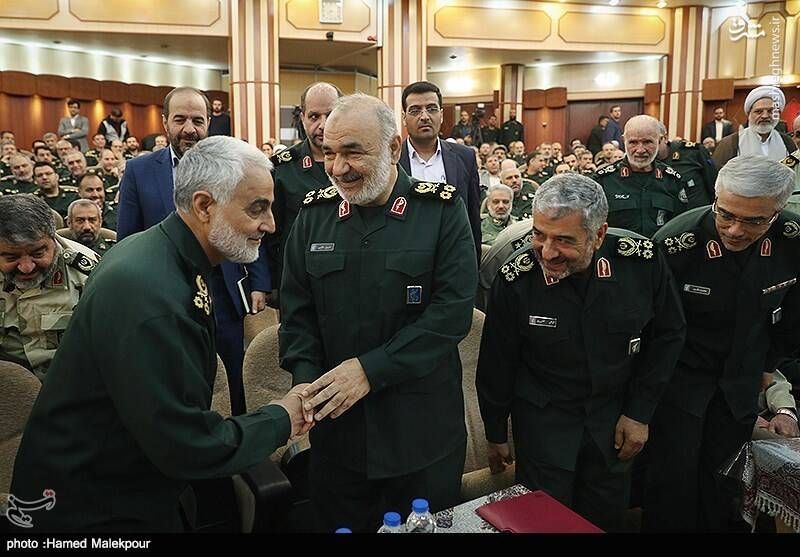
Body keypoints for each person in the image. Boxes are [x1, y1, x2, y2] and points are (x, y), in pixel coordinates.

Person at [9, 137, 313, 532]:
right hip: (93, 510)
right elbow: (187, 446)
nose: (271, 225)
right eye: (258, 208)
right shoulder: (150, 294)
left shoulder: (164, 256)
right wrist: (282, 418)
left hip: (130, 485)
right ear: (204, 206)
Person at [279, 93, 477, 533]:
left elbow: (451, 315)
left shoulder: (441, 212)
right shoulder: (314, 216)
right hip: (339, 437)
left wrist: (370, 370)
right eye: (329, 153)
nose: (337, 167)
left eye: (353, 152)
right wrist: (307, 384)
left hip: (420, 437)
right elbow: (296, 315)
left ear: (392, 148)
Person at [476, 173, 686, 532]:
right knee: (542, 524)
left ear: (599, 235)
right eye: (539, 235)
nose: (547, 252)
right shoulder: (516, 279)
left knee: (602, 521)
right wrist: (495, 433)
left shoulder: (641, 264)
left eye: (564, 240)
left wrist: (640, 413)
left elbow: (667, 336)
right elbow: (497, 363)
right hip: (544, 425)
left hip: (613, 426)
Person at [643, 155, 800, 532]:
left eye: (753, 221)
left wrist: (767, 366)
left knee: (725, 482)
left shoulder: (793, 240)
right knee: (672, 485)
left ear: (776, 213)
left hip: (739, 383)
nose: (733, 230)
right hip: (680, 382)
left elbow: (793, 316)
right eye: (725, 214)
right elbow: (653, 329)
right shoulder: (677, 243)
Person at [117, 86, 271, 416]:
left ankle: (237, 438)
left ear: (209, 122)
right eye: (180, 119)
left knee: (231, 374)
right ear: (165, 122)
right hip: (165, 294)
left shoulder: (236, 166)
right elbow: (127, 237)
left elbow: (255, 222)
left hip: (223, 291)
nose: (190, 129)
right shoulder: (139, 171)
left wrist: (258, 282)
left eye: (198, 120)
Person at [0, 195, 99, 380]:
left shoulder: (88, 274)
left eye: (37, 253)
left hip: (73, 386)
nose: (26, 267)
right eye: (11, 258)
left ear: (53, 239)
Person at [269, 82, 342, 298]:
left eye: (330, 115)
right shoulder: (282, 169)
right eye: (314, 116)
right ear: (302, 118)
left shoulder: (357, 163)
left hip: (347, 282)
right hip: (297, 284)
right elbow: (270, 234)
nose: (323, 124)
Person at [399, 81, 482, 260]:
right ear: (404, 117)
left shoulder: (465, 157)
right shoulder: (391, 159)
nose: (424, 116)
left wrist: (473, 266)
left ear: (442, 115)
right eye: (415, 110)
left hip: (453, 258)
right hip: (403, 259)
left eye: (431, 109)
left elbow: (473, 218)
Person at [593, 115, 688, 237]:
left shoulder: (673, 180)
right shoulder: (603, 181)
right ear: (624, 140)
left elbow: (681, 226)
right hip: (617, 255)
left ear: (660, 140)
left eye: (647, 142)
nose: (640, 150)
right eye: (633, 142)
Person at [712, 86, 795, 169]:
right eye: (758, 111)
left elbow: (794, 171)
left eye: (771, 111)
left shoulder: (788, 143)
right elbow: (717, 176)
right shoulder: (730, 143)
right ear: (749, 114)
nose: (765, 116)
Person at [656, 122, 718, 209]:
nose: (644, 148)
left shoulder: (693, 152)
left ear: (665, 138)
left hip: (698, 215)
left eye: (651, 141)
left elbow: (713, 185)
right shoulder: (643, 164)